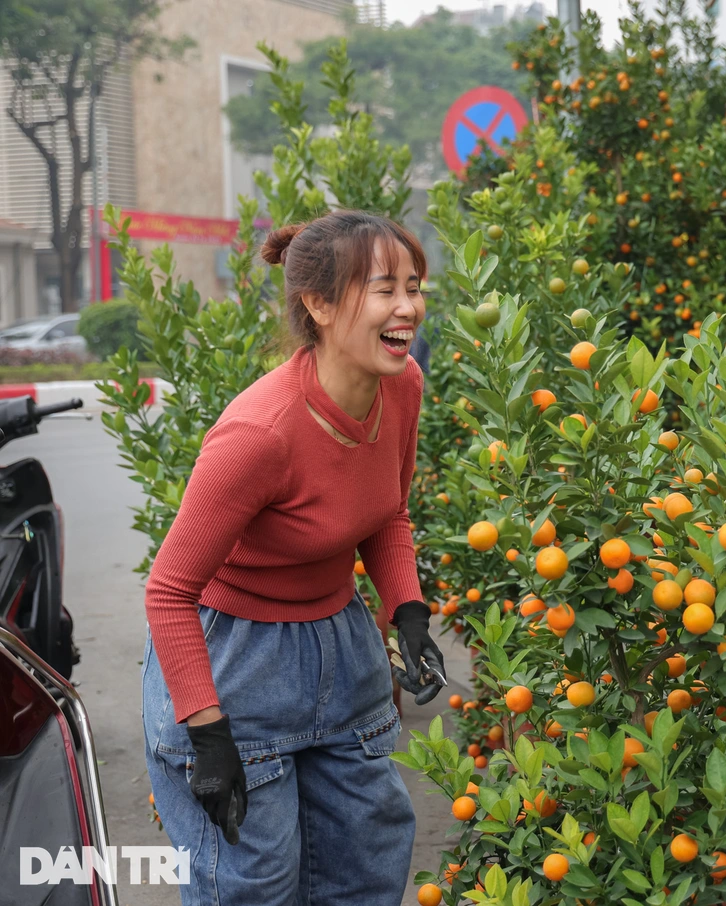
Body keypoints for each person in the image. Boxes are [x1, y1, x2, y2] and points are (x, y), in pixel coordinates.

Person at [140, 209, 446, 905]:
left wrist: (409, 609)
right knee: (252, 885)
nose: (409, 308)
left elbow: (386, 513)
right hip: (233, 664)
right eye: (385, 289)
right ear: (319, 303)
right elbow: (168, 592)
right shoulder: (259, 435)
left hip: (339, 648)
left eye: (415, 285)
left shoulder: (401, 388)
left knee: (366, 869)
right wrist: (208, 732)